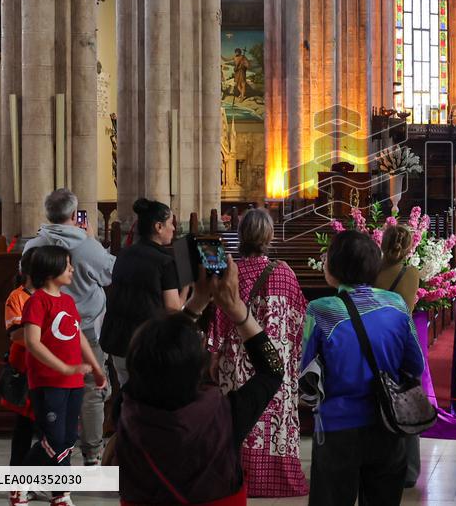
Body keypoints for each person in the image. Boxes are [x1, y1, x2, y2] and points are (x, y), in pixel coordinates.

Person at [115, 256, 284, 505]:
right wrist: (236, 308)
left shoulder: (125, 409)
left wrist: (196, 304)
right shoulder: (225, 416)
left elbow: (147, 367)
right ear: (200, 366)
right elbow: (273, 370)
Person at [301, 230, 425, 506]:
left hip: (337, 429)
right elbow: (416, 363)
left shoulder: (321, 311)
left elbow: (306, 376)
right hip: (387, 425)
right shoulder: (396, 305)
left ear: (334, 268)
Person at [207, 208, 309, 497]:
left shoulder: (230, 272)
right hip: (271, 362)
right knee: (272, 418)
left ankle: (236, 477)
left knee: (239, 415)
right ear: (269, 236)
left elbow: (218, 317)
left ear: (241, 236)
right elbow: (299, 319)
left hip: (235, 362)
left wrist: (214, 354)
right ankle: (276, 480)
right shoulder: (284, 272)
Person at [23, 188, 116, 465]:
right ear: (75, 215)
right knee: (91, 392)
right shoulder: (87, 246)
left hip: (44, 329)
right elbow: (110, 273)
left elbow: (25, 281)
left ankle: (55, 448)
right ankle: (92, 452)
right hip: (84, 327)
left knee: (54, 394)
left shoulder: (33, 245)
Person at [20, 245, 108, 506]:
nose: (72, 269)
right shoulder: (36, 301)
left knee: (68, 438)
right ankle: (26, 484)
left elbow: (77, 335)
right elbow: (33, 343)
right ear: (50, 270)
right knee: (54, 439)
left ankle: (58, 492)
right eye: (67, 264)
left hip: (73, 382)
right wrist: (64, 368)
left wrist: (95, 366)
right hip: (48, 381)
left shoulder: (68, 301)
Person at [100, 198, 179, 387]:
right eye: (170, 223)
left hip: (119, 341)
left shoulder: (124, 254)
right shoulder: (164, 261)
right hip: (146, 344)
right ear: (159, 227)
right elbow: (173, 308)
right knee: (148, 403)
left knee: (128, 396)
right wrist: (190, 293)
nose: (174, 228)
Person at [373, 222, 423, 487]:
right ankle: (409, 471)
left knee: (377, 401)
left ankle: (378, 464)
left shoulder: (371, 271)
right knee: (406, 403)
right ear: (408, 247)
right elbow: (409, 307)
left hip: (372, 341)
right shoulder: (411, 272)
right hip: (400, 343)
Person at [2, 248, 36, 469]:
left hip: (47, 371)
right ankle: (19, 479)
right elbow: (16, 334)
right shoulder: (17, 296)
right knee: (24, 429)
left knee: (49, 434)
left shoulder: (54, 296)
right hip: (25, 369)